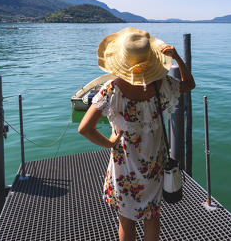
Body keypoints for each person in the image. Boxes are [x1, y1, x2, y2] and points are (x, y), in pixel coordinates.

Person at [78, 27, 195, 241]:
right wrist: (177, 57)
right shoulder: (163, 84)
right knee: (152, 216)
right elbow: (190, 84)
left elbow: (84, 128)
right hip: (155, 163)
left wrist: (110, 143)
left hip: (125, 167)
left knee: (126, 219)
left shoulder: (112, 90)